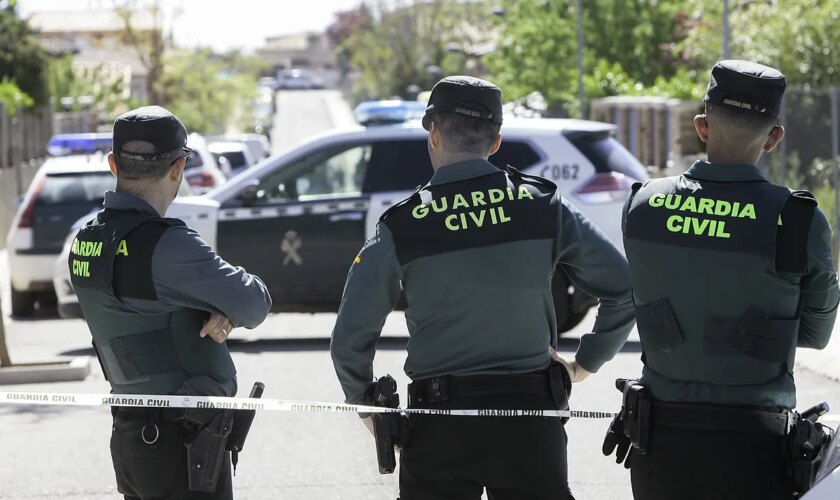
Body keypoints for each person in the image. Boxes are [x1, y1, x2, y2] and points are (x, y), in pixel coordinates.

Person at [330, 76, 636, 500]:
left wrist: (372, 411)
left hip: (439, 426)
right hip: (531, 421)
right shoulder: (544, 207)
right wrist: (582, 365)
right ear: (496, 142)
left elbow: (348, 340)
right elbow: (624, 289)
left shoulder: (402, 225)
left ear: (433, 133)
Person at [617, 60, 840, 499]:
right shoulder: (797, 220)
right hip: (755, 443)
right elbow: (815, 335)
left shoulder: (643, 204)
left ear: (701, 126)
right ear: (774, 137)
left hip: (659, 442)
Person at [69, 106, 272, 500]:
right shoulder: (167, 245)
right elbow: (254, 302)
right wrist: (225, 307)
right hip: (183, 444)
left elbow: (140, 306)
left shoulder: (86, 241)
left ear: (114, 164)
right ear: (178, 168)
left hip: (131, 439)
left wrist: (213, 306)